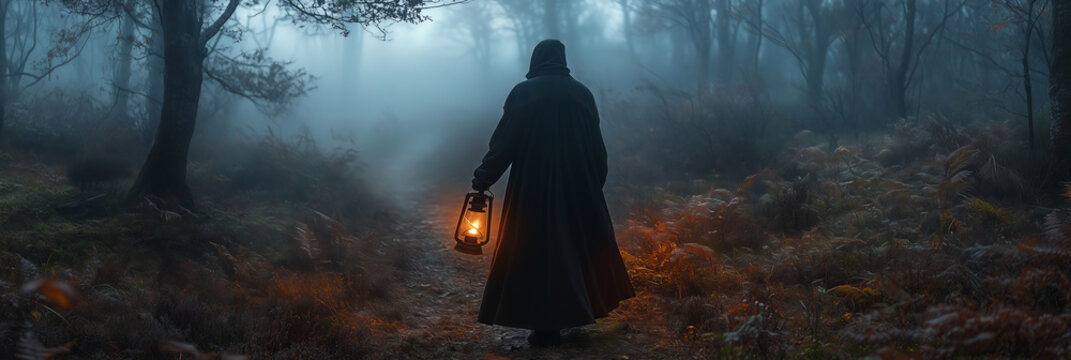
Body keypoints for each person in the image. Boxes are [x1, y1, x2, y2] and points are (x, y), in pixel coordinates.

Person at [471, 39, 635, 347]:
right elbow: (598, 151)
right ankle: (567, 317)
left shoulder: (523, 93)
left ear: (535, 61)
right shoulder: (582, 95)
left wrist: (483, 178)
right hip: (578, 187)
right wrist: (592, 185)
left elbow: (504, 143)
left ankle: (544, 325)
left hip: (532, 188)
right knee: (572, 252)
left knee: (534, 252)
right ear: (562, 60)